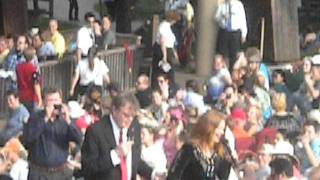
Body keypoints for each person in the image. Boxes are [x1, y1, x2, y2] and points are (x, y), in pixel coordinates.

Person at [81, 92, 162, 180]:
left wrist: (153, 174)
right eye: (126, 115)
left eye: (132, 116)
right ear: (114, 110)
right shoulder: (96, 131)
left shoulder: (134, 127)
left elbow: (134, 160)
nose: (130, 120)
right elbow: (88, 168)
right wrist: (115, 155)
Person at [22, 87, 82, 180]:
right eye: (50, 100)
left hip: (61, 172)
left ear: (61, 101)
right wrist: (46, 118)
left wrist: (68, 120)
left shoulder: (65, 120)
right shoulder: (35, 117)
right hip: (39, 172)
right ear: (44, 101)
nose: (54, 103)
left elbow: (79, 139)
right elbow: (28, 139)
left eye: (56, 100)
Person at [167, 110, 232, 180]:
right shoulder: (189, 150)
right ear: (208, 128)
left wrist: (227, 161)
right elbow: (173, 175)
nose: (222, 132)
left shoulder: (218, 154)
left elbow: (223, 177)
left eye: (223, 129)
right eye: (219, 128)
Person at [215, 0, 247, 71]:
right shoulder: (222, 5)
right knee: (223, 53)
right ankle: (223, 72)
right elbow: (216, 17)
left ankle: (233, 71)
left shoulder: (238, 5)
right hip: (224, 31)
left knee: (234, 54)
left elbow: (243, 19)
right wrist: (222, 18)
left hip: (235, 32)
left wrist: (244, 34)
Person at [152, 11, 180, 87]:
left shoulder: (168, 27)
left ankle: (168, 86)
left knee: (168, 71)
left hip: (168, 49)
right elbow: (162, 41)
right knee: (164, 72)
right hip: (163, 51)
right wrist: (164, 56)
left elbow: (171, 42)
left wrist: (174, 53)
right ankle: (161, 87)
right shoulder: (164, 26)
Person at [15, 47, 42, 113]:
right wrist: (39, 97)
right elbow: (36, 84)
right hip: (31, 97)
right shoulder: (33, 69)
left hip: (21, 95)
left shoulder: (18, 67)